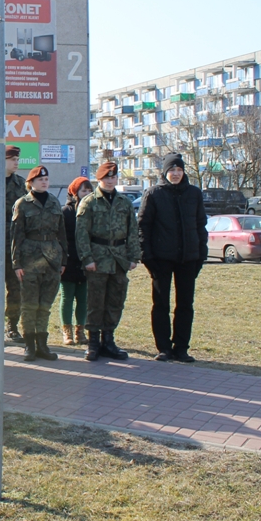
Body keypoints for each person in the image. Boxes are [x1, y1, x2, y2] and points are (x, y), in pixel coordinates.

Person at [137, 152, 208, 363]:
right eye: (172, 170)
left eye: (179, 170)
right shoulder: (154, 194)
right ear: (165, 172)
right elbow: (143, 227)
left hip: (188, 258)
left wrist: (200, 254)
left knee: (185, 304)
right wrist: (147, 257)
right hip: (161, 259)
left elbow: (200, 225)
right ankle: (164, 348)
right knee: (161, 304)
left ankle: (181, 348)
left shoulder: (194, 194)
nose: (176, 174)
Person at [75, 163, 142, 361]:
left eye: (113, 177)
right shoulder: (89, 202)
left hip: (119, 258)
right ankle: (93, 342)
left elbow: (132, 230)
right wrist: (87, 258)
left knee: (116, 300)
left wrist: (133, 257)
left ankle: (109, 340)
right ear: (99, 179)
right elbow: (81, 234)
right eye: (107, 177)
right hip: (98, 256)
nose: (110, 181)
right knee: (95, 301)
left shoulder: (124, 202)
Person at [11, 165, 67, 362]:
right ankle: (29, 345)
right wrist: (17, 263)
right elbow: (16, 236)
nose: (44, 182)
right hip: (30, 259)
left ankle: (42, 344)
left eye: (46, 179)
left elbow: (61, 233)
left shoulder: (53, 202)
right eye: (40, 179)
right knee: (29, 304)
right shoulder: (22, 204)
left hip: (52, 258)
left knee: (45, 305)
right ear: (31, 183)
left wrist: (63, 260)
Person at [0, 145, 27, 344]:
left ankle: (12, 326)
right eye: (13, 159)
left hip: (15, 243)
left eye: (17, 159)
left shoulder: (21, 184)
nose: (16, 162)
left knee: (15, 287)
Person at [60, 177, 92, 346]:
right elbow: (61, 238)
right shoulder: (66, 212)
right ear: (74, 192)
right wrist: (62, 261)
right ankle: (67, 331)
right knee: (67, 297)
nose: (86, 194)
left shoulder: (93, 210)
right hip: (69, 261)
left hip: (86, 261)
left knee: (83, 298)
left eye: (89, 190)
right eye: (83, 190)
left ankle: (80, 330)